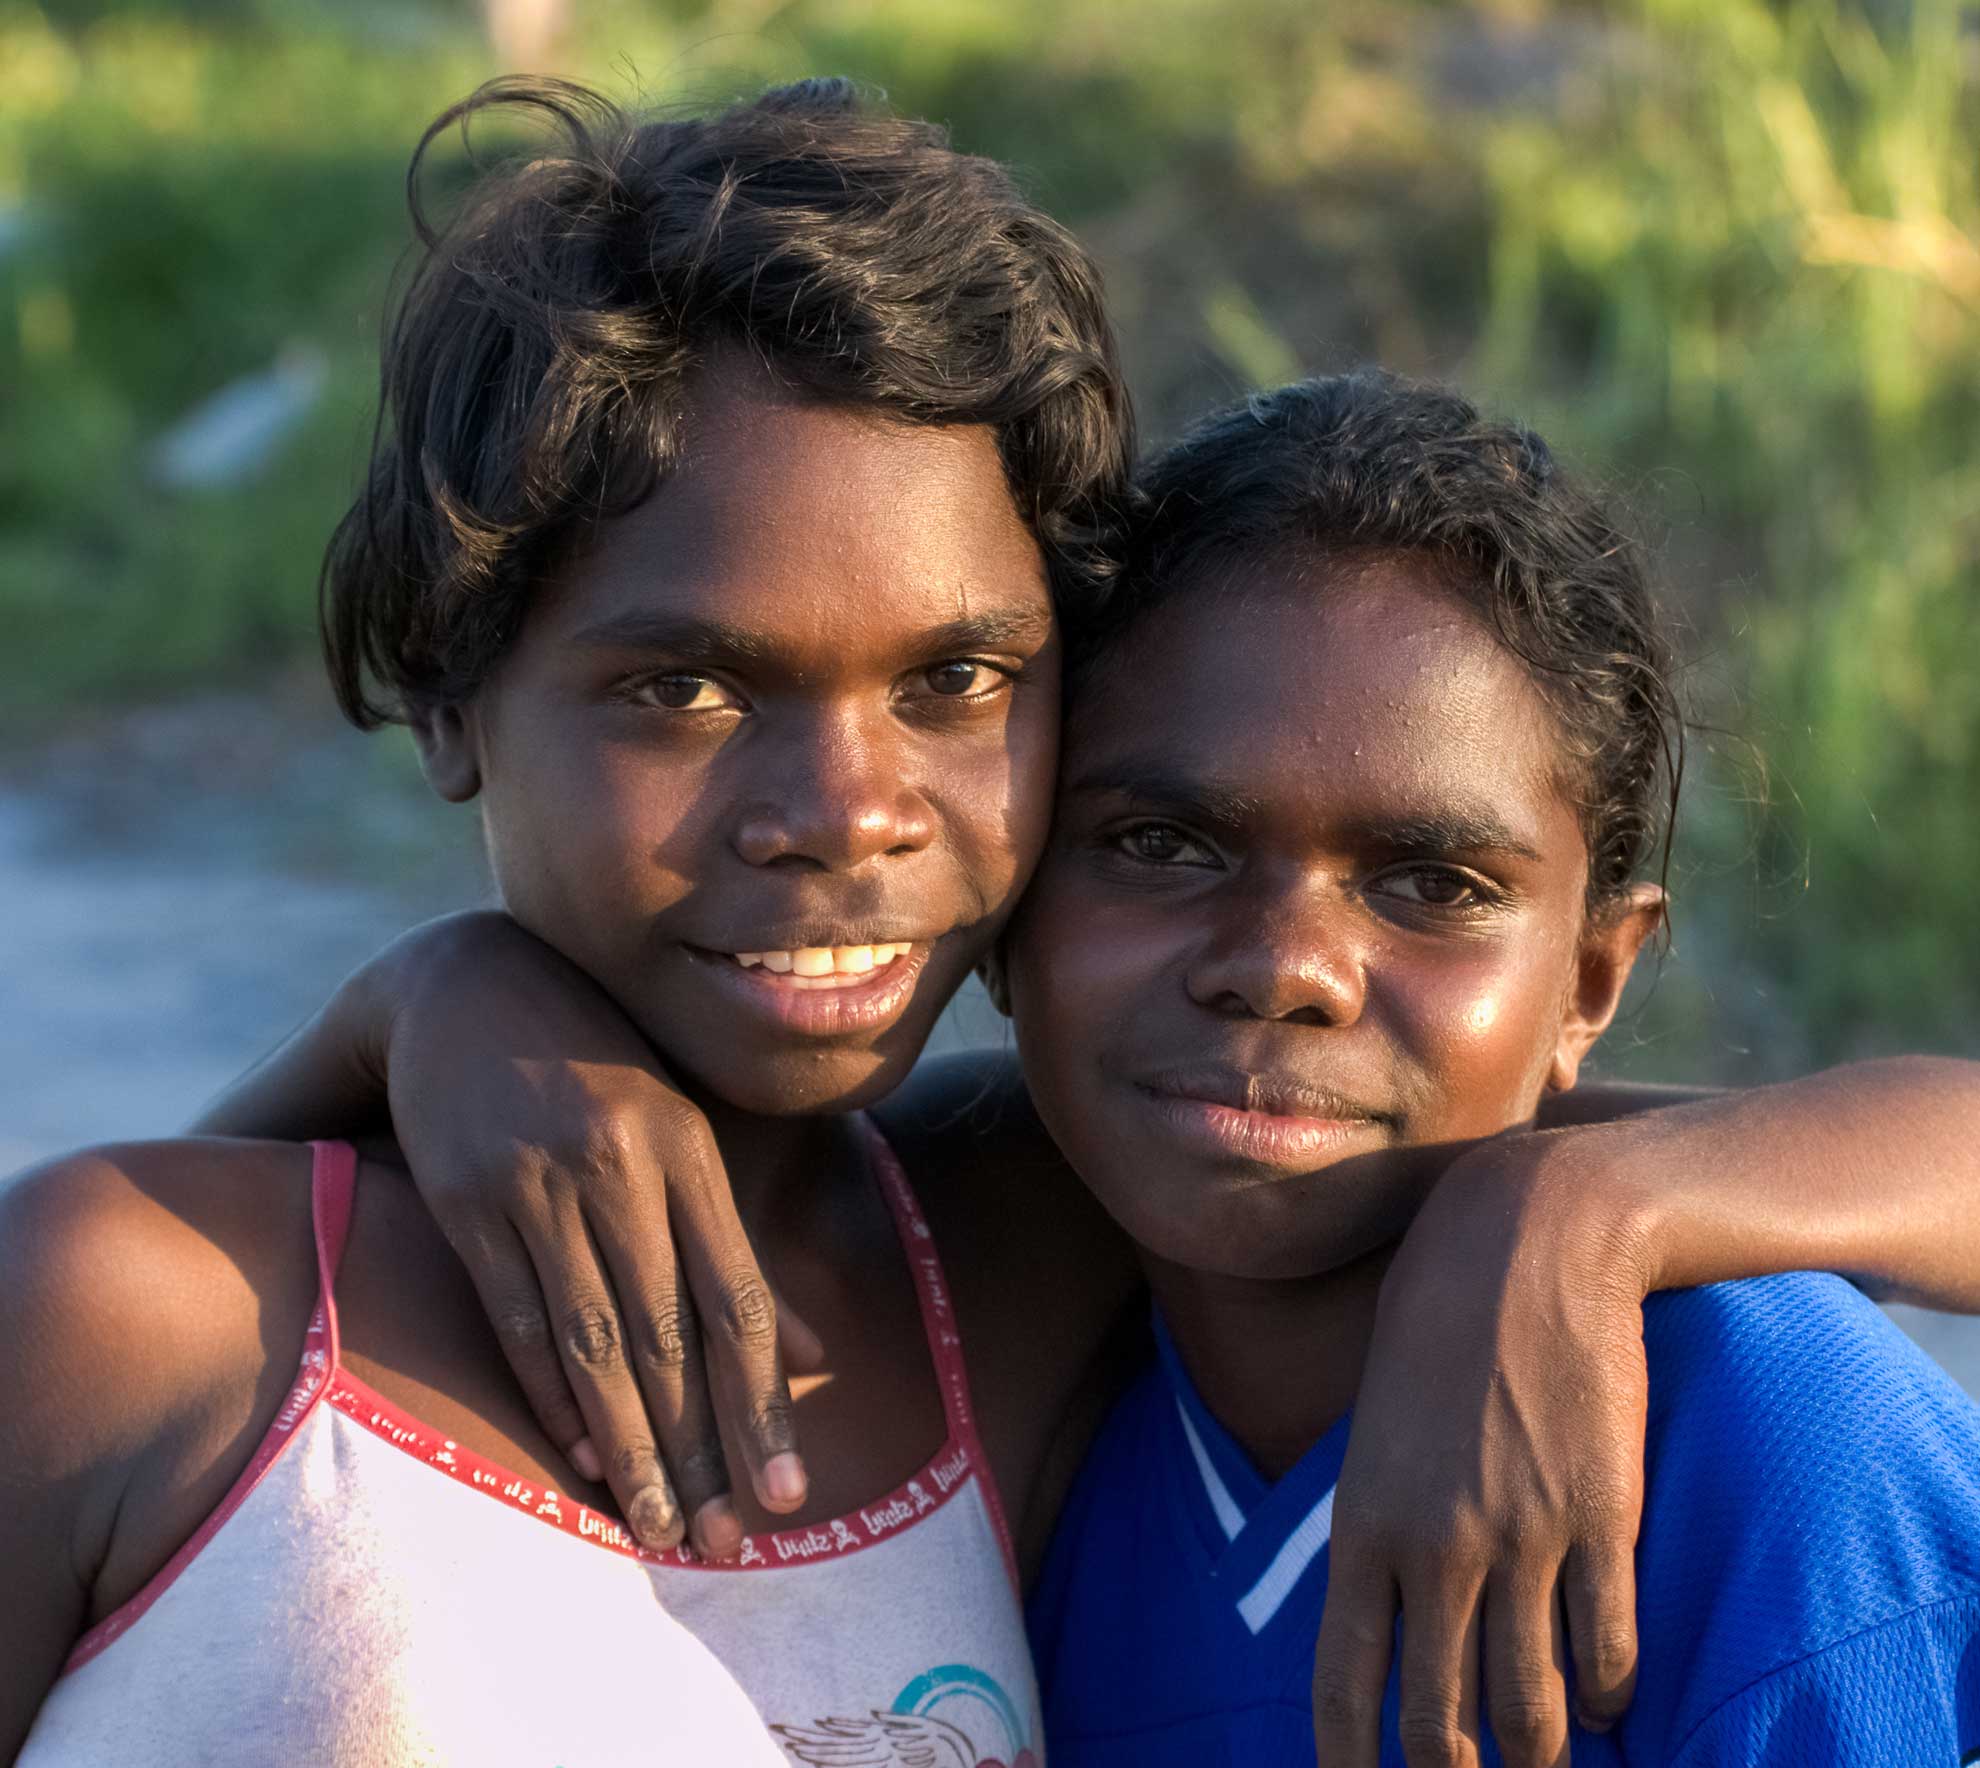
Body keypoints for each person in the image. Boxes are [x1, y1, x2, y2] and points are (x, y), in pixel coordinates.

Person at [7, 71, 1978, 1768]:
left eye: (957, 679)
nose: (845, 811)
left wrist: (1569, 1208)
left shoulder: (1020, 1271)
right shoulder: (129, 1303)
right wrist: (416, 1002)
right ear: (450, 692)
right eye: (686, 685)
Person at [1012, 373, 1980, 1765]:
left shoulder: (1768, 1444)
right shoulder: (1024, 1413)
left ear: (1592, 978)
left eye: (1433, 883)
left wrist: (1574, 1209)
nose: (1286, 965)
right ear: (1010, 898)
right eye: (1163, 843)